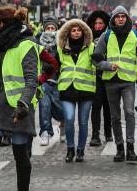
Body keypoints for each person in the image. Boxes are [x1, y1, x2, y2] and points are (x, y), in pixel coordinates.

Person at [0, 5, 40, 191]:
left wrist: (23, 105)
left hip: (18, 107)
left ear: (6, 24)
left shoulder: (27, 45)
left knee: (20, 155)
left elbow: (31, 81)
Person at [91, 6, 137, 162]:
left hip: (128, 81)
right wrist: (107, 66)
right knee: (115, 116)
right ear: (113, 19)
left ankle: (130, 147)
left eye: (123, 16)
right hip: (111, 81)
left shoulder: (136, 35)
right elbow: (95, 59)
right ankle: (119, 148)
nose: (121, 19)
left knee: (129, 113)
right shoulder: (106, 35)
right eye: (118, 16)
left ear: (127, 18)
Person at [55, 18, 95, 162]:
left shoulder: (91, 47)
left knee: (83, 122)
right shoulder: (60, 48)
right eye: (73, 30)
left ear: (83, 32)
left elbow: (97, 63)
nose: (76, 33)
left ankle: (80, 151)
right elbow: (54, 64)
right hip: (67, 88)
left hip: (86, 88)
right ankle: (70, 149)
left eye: (79, 30)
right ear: (68, 32)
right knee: (70, 119)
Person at [87, 10, 113, 147]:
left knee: (108, 107)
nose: (98, 26)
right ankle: (95, 134)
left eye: (100, 23)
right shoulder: (87, 39)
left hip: (108, 76)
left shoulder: (110, 38)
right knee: (96, 106)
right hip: (94, 77)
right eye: (95, 23)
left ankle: (109, 133)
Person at [37, 17, 62, 146]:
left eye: (53, 28)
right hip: (44, 81)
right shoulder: (38, 43)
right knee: (44, 105)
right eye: (48, 28)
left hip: (60, 81)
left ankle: (63, 124)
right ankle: (45, 131)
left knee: (60, 109)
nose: (50, 31)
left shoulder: (62, 43)